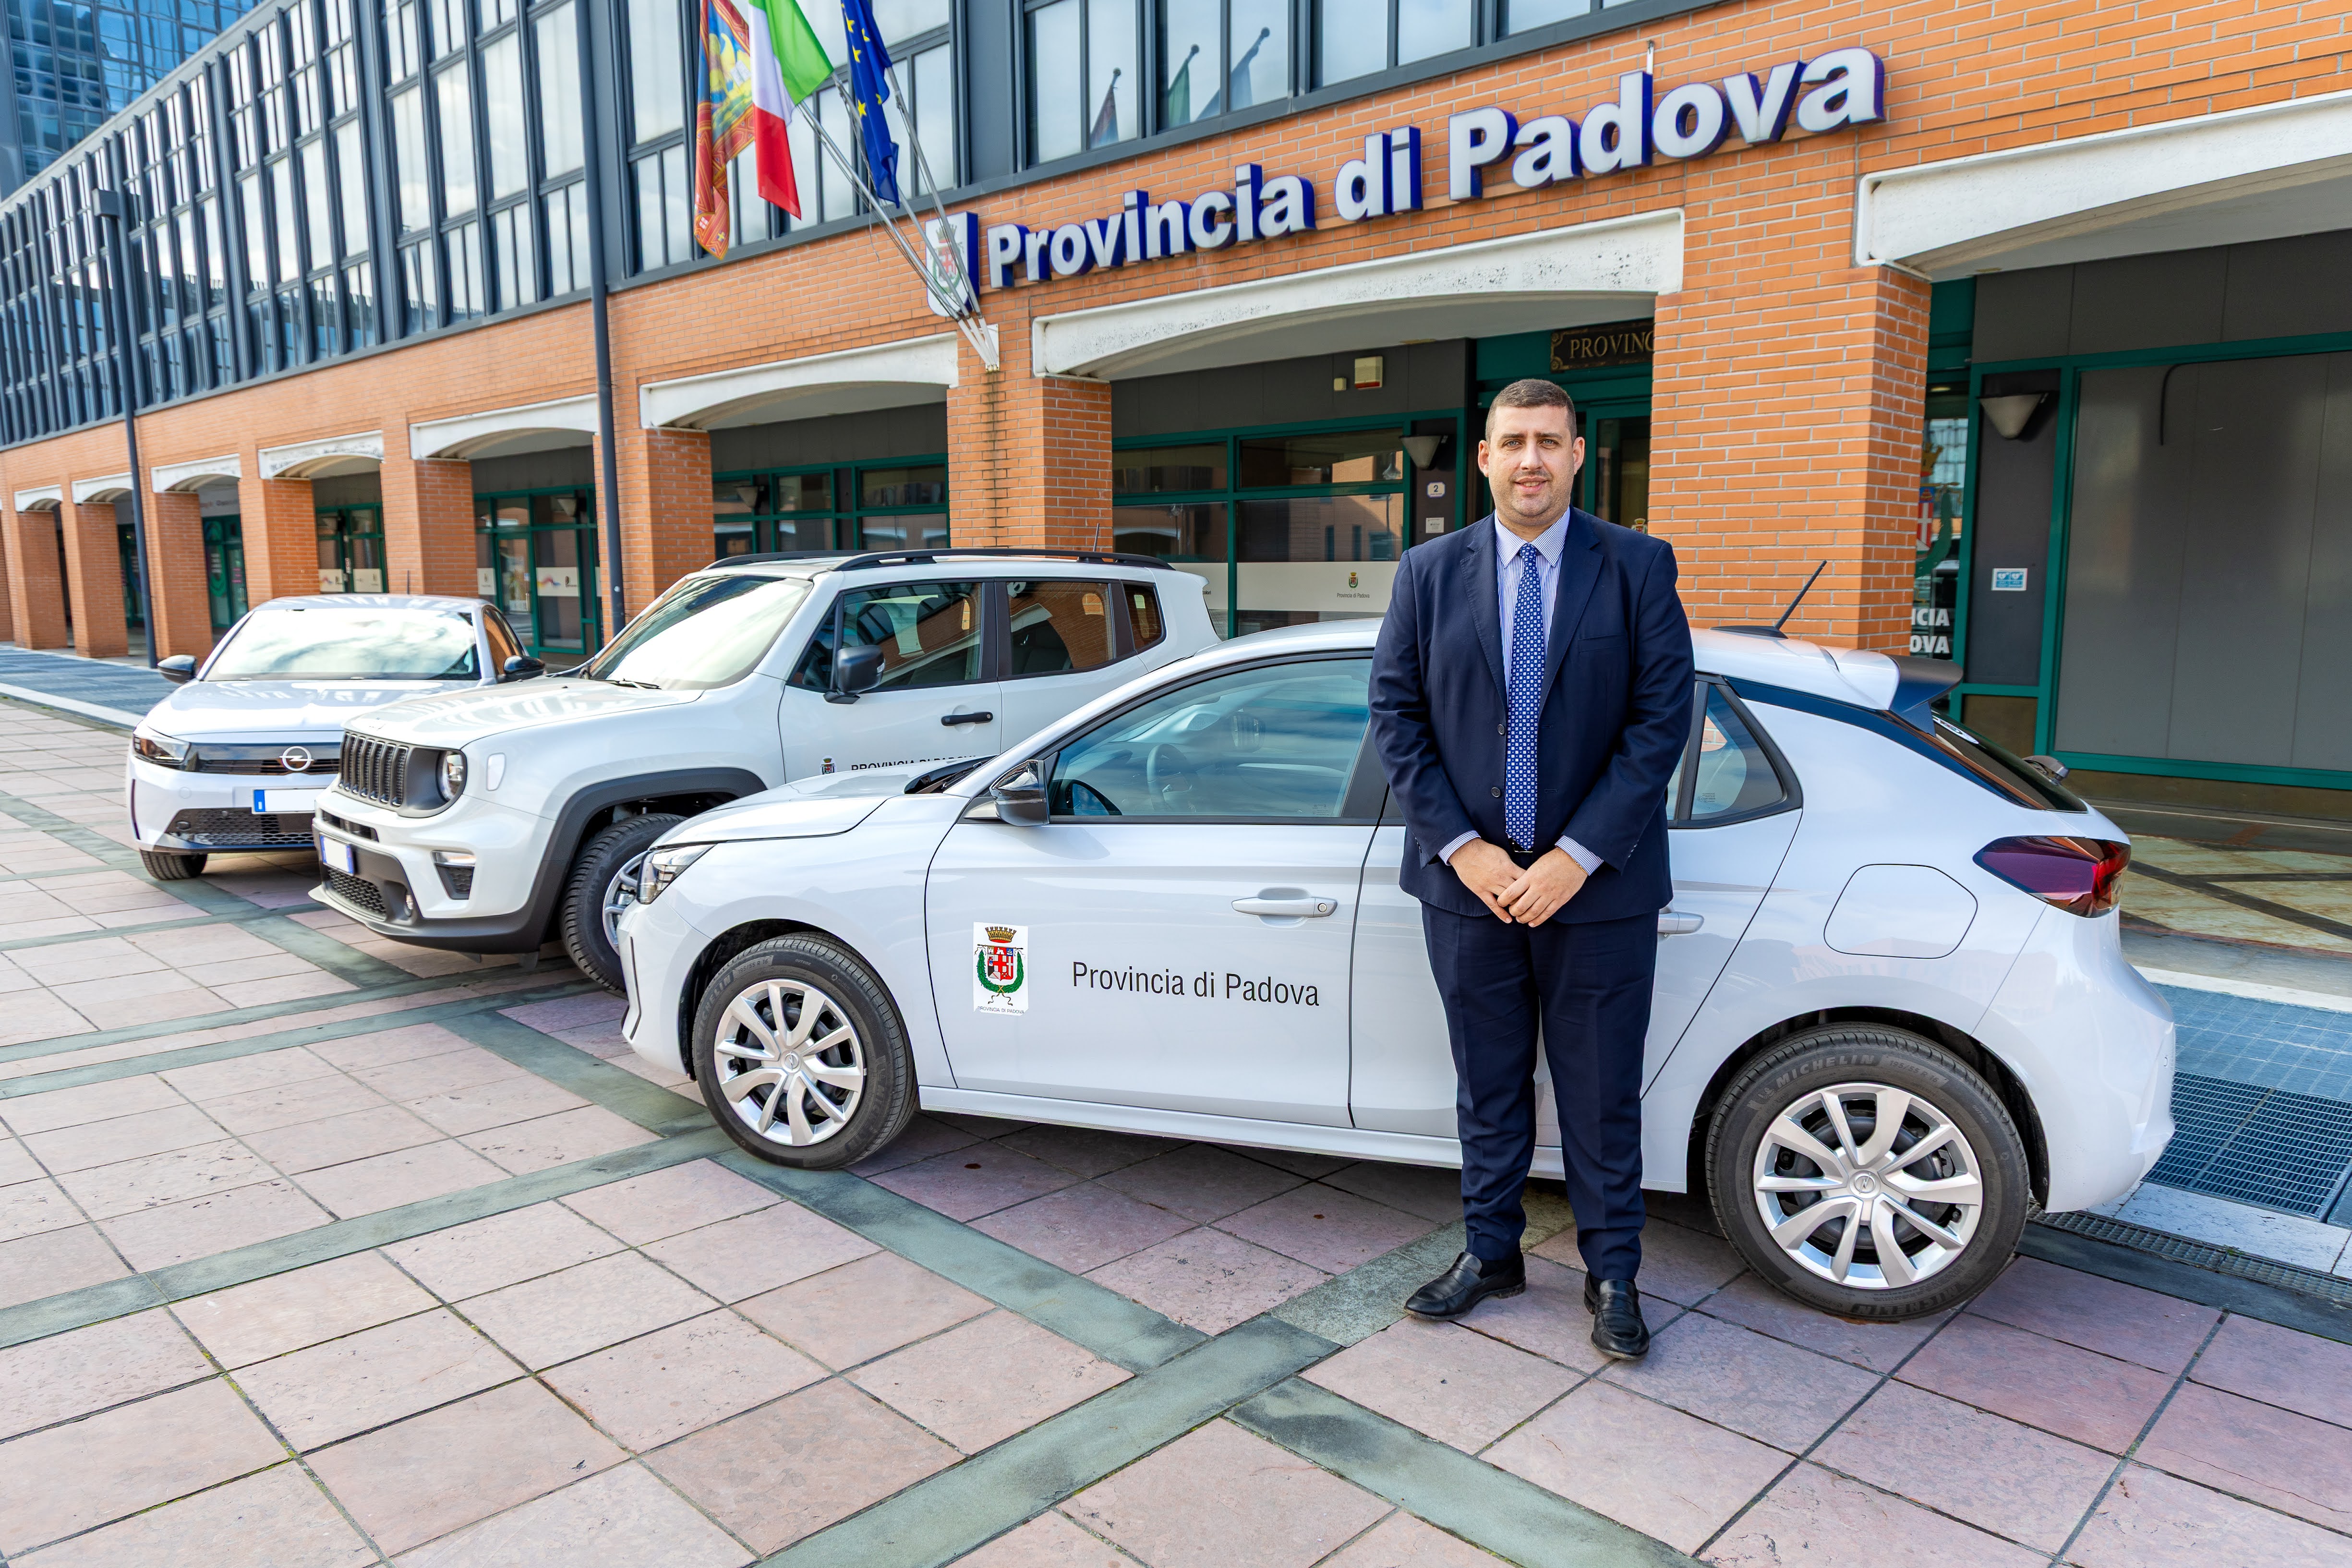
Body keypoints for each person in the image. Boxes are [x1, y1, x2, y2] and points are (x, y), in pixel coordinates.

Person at [1368, 378, 1694, 1359]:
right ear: (1482, 456)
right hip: (1465, 889)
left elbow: (1659, 723)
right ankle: (1490, 1253)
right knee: (1487, 1082)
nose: (1530, 461)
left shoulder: (1635, 566)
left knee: (1600, 1090)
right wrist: (1462, 849)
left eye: (1548, 441)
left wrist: (1573, 857)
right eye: (1512, 441)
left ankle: (1613, 1274)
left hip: (1596, 892)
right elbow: (1395, 717)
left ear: (1578, 453)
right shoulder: (1426, 572)